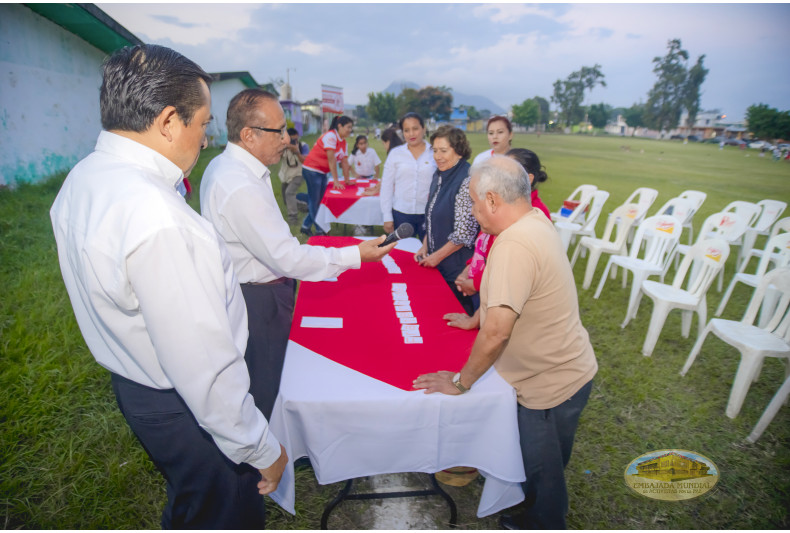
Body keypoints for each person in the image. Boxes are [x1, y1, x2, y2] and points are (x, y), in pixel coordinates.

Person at [50, 44, 286, 529]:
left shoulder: (85, 177)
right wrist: (259, 446)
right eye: (202, 124)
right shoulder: (160, 219)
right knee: (224, 511)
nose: (205, 140)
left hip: (136, 384)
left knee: (193, 502)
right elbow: (202, 364)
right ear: (168, 122)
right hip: (186, 404)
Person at [413, 156, 597, 530]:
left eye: (475, 201)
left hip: (550, 385)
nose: (473, 209)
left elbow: (497, 332)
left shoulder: (513, 245)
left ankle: (543, 521)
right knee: (534, 462)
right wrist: (473, 318)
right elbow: (507, 295)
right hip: (556, 374)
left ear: (494, 200)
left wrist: (461, 381)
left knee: (543, 470)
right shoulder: (532, 221)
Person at [200, 88, 396, 421]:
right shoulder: (239, 184)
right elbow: (286, 258)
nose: (288, 140)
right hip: (257, 298)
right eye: (278, 131)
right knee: (264, 377)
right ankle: (263, 455)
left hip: (253, 287)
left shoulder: (232, 168)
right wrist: (355, 255)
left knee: (267, 371)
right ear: (248, 135)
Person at [444, 147, 553, 330]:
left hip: (496, 296)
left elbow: (504, 283)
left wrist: (476, 286)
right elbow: (484, 246)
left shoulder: (524, 221)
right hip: (484, 288)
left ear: (527, 178)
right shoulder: (501, 208)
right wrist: (469, 268)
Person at [415, 125, 479, 315]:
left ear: (459, 151)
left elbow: (464, 233)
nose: (437, 156)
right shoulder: (439, 174)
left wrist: (436, 257)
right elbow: (432, 215)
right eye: (434, 150)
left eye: (443, 151)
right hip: (438, 264)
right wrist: (425, 246)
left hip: (457, 272)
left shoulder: (467, 179)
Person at [379, 112, 436, 241]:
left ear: (424, 129)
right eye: (406, 130)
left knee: (428, 255)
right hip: (401, 213)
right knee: (401, 253)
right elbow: (386, 186)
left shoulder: (435, 152)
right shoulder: (396, 154)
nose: (411, 134)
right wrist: (387, 216)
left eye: (415, 129)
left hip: (428, 214)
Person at [300, 115, 354, 235]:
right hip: (312, 170)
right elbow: (332, 160)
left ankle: (305, 226)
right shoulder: (331, 136)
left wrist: (347, 180)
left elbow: (345, 162)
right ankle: (320, 230)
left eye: (351, 127)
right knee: (315, 202)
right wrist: (336, 180)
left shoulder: (343, 142)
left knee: (320, 201)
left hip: (322, 172)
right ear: (340, 126)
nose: (350, 130)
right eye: (348, 127)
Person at [278, 127, 310, 226]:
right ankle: (306, 208)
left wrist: (296, 151)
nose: (293, 141)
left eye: (295, 139)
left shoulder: (303, 146)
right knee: (286, 199)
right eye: (291, 140)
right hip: (286, 175)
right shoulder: (282, 147)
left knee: (289, 193)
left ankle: (293, 219)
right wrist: (282, 147)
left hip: (299, 174)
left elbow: (305, 161)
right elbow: (275, 159)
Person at [362, 127, 403, 197]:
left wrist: (375, 191)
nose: (384, 146)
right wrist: (375, 187)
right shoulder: (398, 151)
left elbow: (389, 177)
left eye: (383, 143)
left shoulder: (394, 154)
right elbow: (386, 176)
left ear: (388, 142)